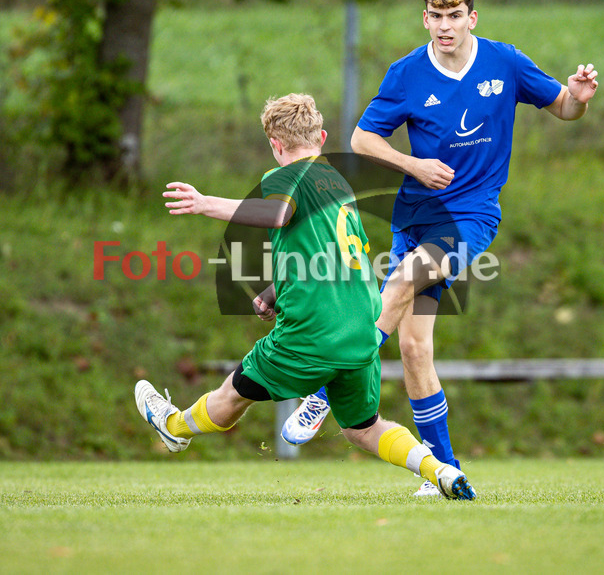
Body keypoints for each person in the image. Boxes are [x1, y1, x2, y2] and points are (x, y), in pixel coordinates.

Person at [282, 0, 599, 496]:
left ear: (472, 17)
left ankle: (320, 391)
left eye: (456, 16)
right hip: (416, 217)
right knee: (413, 347)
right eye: (437, 16)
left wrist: (580, 97)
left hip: (470, 217)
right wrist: (413, 164)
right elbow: (362, 139)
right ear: (424, 18)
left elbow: (563, 108)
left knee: (403, 279)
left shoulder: (506, 62)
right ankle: (443, 471)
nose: (446, 26)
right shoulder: (407, 74)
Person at [136, 93, 477, 500]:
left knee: (233, 395)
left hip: (311, 334)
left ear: (275, 145)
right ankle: (439, 470)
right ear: (322, 136)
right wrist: (277, 289)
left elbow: (278, 214)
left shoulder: (285, 176)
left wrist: (205, 203)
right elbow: (334, 253)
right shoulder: (337, 183)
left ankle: (173, 430)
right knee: (364, 428)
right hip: (362, 330)